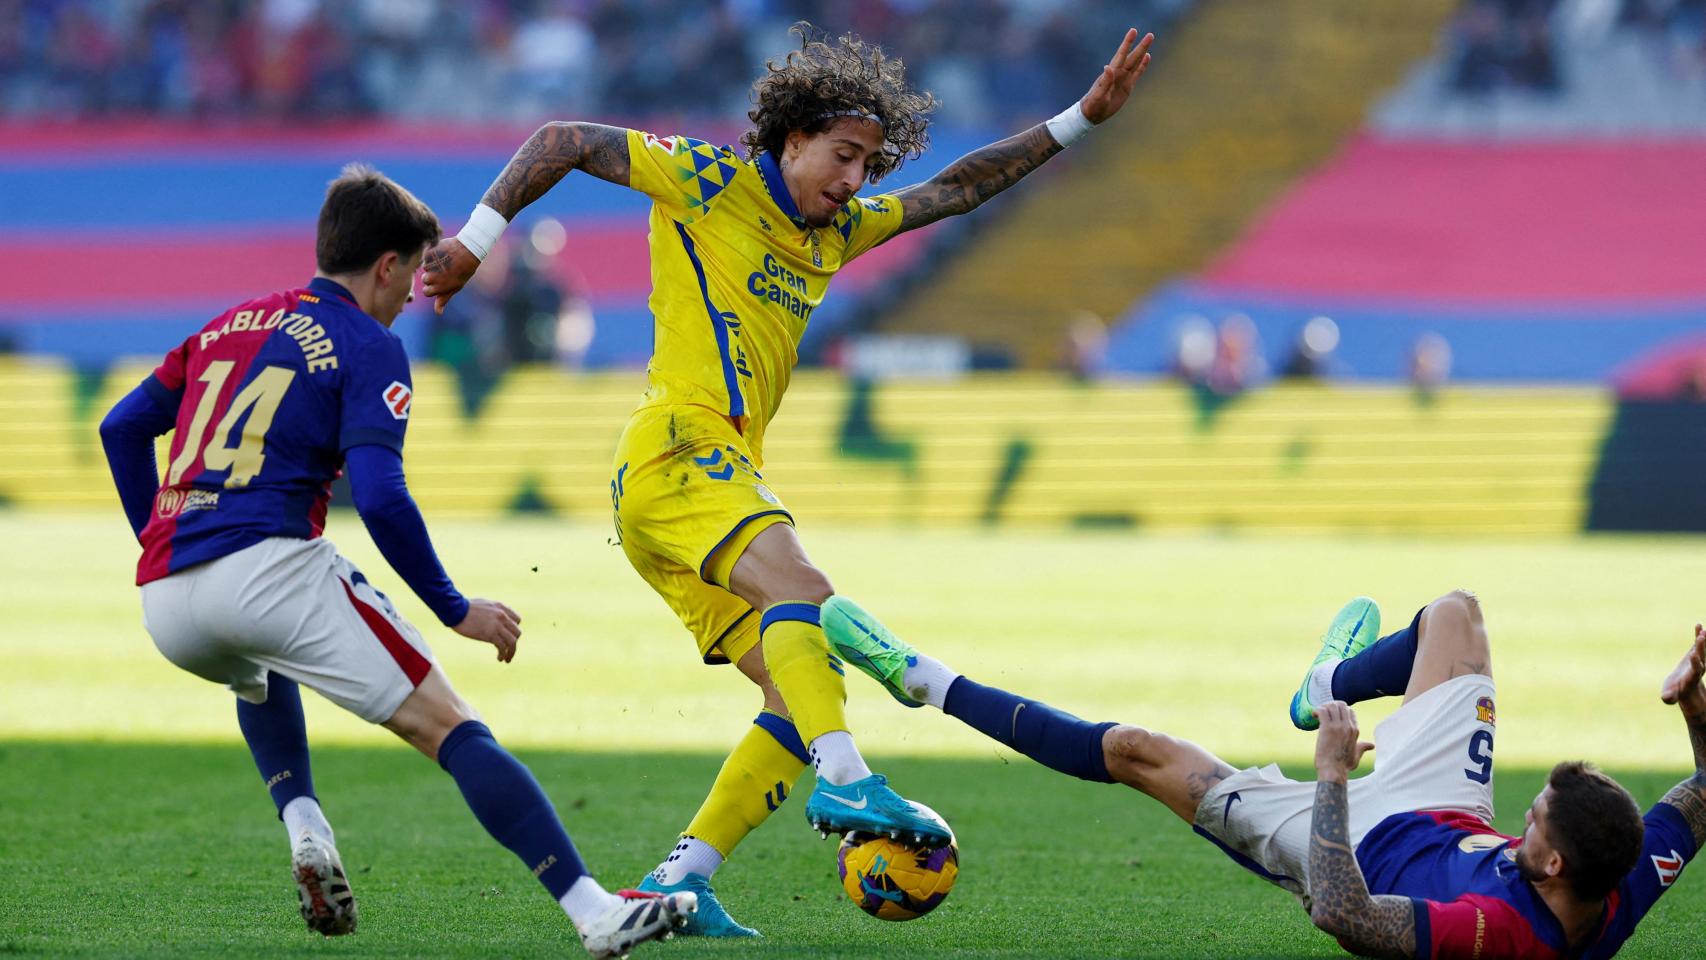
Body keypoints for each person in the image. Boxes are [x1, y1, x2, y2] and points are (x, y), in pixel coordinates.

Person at [420, 22, 1155, 937]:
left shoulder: (836, 231)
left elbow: (956, 190)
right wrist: (475, 241)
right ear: (791, 137)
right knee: (807, 591)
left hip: (691, 486)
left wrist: (1083, 117)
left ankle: (679, 878)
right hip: (679, 451)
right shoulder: (708, 179)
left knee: (789, 687)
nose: (854, 179)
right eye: (842, 155)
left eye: (867, 164)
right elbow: (562, 140)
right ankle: (848, 783)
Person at [97, 164, 693, 958]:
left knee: (258, 667)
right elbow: (380, 499)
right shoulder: (369, 345)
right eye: (414, 270)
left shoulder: (226, 325)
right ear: (386, 265)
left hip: (167, 602)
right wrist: (455, 608)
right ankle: (594, 913)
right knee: (453, 728)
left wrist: (158, 540)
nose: (416, 291)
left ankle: (305, 826)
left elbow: (119, 429)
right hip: (268, 568)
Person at [822, 591, 1705, 957]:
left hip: (1347, 849)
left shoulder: (1502, 933)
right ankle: (1322, 684)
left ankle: (919, 680)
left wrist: (1329, 775)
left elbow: (1343, 912)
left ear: (1550, 866)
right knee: (1456, 614)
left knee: (1138, 750)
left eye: (1539, 820)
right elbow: (1701, 799)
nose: (1532, 814)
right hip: (1442, 812)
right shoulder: (1618, 875)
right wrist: (1693, 704)